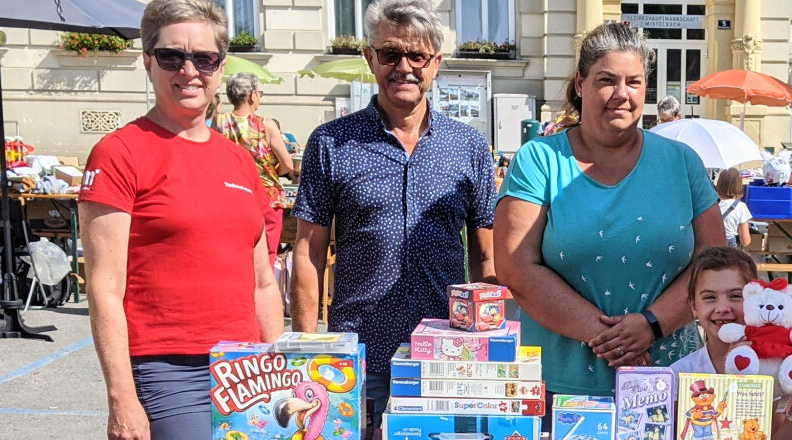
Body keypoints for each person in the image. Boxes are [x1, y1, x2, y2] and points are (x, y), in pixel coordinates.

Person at [493, 20, 724, 422]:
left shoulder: (682, 162)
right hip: (560, 391)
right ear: (580, 83)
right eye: (606, 80)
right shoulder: (539, 160)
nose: (621, 94)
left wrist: (651, 326)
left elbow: (715, 261)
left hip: (674, 382)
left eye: (633, 82)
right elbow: (516, 266)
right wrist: (614, 339)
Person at [81, 1, 284, 437]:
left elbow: (263, 281)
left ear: (220, 66)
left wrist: (279, 365)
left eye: (204, 58)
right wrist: (121, 397)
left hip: (249, 367)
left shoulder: (240, 161)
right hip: (168, 369)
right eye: (173, 56)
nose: (189, 70)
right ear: (148, 62)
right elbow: (104, 286)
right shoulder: (120, 153)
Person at [290, 0, 497, 419]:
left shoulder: (469, 146)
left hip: (444, 352)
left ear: (435, 63)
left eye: (417, 55)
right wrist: (306, 352)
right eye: (390, 53)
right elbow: (309, 252)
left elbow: (486, 253)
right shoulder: (331, 142)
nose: (405, 66)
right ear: (371, 59)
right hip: (356, 354)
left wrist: (486, 344)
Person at [670, 246, 792, 440]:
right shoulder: (678, 374)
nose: (722, 307)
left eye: (735, 296)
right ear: (694, 306)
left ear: (754, 299)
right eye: (710, 297)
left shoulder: (776, 370)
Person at [214, 72, 298, 265]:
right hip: (266, 196)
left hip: (231, 195)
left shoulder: (219, 122)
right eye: (259, 93)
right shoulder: (265, 125)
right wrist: (273, 171)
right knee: (266, 256)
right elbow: (287, 163)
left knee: (235, 256)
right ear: (252, 95)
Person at [715, 167, 752, 248]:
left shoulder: (710, 204)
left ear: (719, 183)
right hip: (729, 248)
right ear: (738, 185)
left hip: (711, 247)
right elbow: (745, 241)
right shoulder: (741, 207)